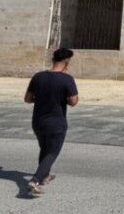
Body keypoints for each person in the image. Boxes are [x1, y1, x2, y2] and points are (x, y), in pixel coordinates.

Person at [24, 48, 79, 196]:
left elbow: (27, 99)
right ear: (67, 62)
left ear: (53, 60)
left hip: (38, 122)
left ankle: (45, 176)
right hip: (56, 123)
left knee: (44, 149)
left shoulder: (38, 77)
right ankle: (35, 180)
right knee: (52, 152)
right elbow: (73, 101)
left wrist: (42, 99)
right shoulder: (67, 79)